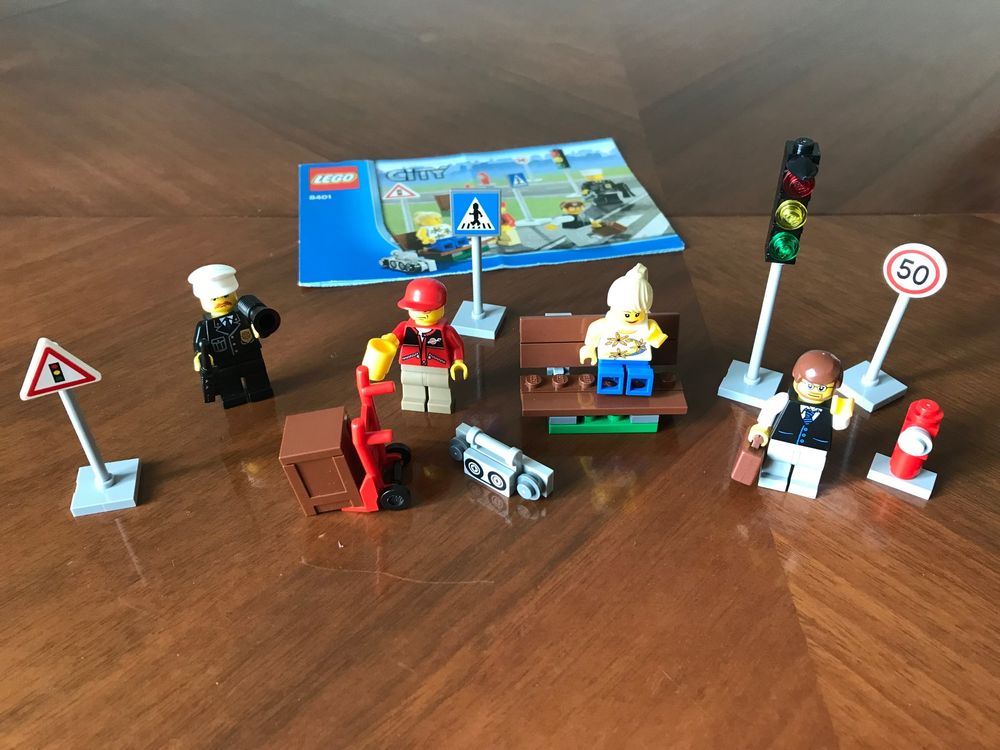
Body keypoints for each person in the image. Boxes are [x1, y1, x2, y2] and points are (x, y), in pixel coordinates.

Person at [748, 350, 855, 498]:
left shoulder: (835, 406)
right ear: (797, 378)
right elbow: (767, 414)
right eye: (810, 385)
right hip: (782, 441)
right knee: (775, 463)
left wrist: (843, 415)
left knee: (810, 470)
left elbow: (839, 425)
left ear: (835, 385)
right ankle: (771, 478)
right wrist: (760, 431)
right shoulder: (783, 399)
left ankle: (804, 484)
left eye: (822, 388)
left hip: (816, 447)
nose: (815, 391)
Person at [363, 278, 468, 413]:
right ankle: (413, 400)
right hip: (410, 365)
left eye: (426, 310)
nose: (420, 314)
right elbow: (394, 338)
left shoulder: (446, 331)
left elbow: (457, 345)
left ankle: (440, 402)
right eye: (415, 309)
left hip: (437, 365)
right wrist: (389, 340)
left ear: (441, 307)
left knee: (439, 385)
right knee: (411, 384)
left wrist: (458, 361)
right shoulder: (404, 327)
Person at [189, 264, 276, 409]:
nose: (222, 301)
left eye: (226, 295)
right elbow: (199, 346)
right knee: (230, 387)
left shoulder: (244, 314)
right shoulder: (205, 326)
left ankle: (259, 390)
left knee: (258, 381)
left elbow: (258, 328)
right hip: (224, 364)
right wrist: (201, 357)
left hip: (250, 357)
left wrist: (258, 330)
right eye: (214, 299)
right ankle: (233, 396)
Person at [580, 263, 667, 396]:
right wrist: (589, 347)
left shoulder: (648, 325)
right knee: (610, 374)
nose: (632, 318)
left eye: (637, 314)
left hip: (640, 361)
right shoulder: (607, 324)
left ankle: (637, 387)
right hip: (609, 360)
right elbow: (594, 331)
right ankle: (611, 387)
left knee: (640, 375)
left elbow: (656, 339)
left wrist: (655, 337)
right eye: (627, 314)